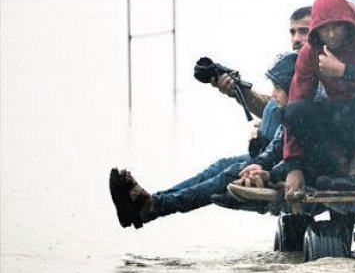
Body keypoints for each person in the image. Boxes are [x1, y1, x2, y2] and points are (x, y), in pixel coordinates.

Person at [109, 50, 299, 229]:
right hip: (269, 154)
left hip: (280, 161)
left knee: (227, 174)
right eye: (293, 32)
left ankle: (153, 206)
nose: (298, 38)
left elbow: (294, 136)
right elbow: (275, 111)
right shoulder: (293, 81)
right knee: (220, 166)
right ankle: (154, 201)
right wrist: (239, 92)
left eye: (303, 31)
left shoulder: (311, 90)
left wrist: (272, 171)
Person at [278, 0, 355, 191]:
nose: (331, 34)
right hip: (339, 119)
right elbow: (296, 101)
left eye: (337, 26)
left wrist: (345, 71)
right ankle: (340, 167)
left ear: (348, 24)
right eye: (325, 29)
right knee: (294, 111)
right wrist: (293, 166)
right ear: (317, 31)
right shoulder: (310, 52)